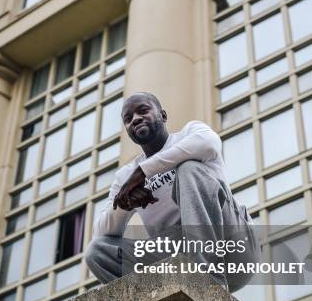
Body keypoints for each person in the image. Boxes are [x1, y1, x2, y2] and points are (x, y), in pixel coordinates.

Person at [85, 92, 257, 290]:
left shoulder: (190, 133)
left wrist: (144, 171)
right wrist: (124, 205)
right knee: (96, 252)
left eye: (143, 111)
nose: (136, 119)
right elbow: (101, 233)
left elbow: (209, 143)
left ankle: (208, 283)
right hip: (177, 253)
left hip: (232, 243)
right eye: (128, 119)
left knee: (189, 169)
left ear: (163, 116)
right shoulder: (125, 176)